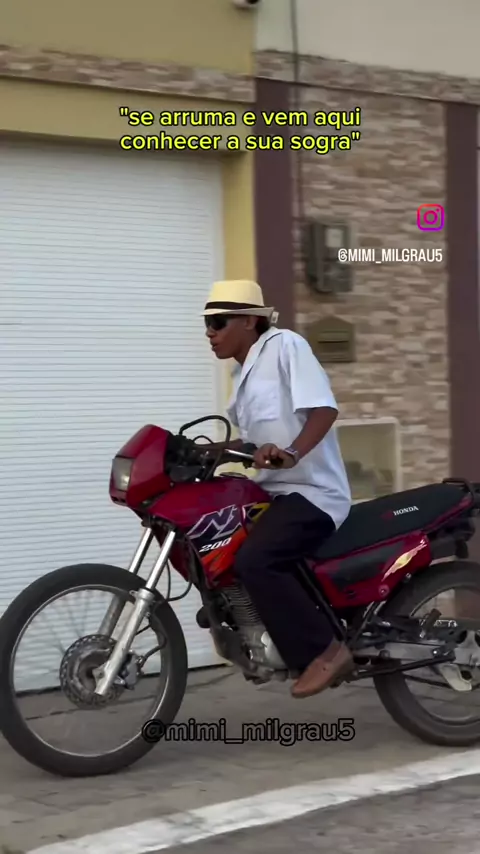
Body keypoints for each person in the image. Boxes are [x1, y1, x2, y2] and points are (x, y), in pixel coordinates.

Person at [202, 279, 353, 698]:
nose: (210, 333)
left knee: (257, 559)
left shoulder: (286, 346)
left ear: (250, 321)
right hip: (274, 493)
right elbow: (253, 445)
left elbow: (324, 410)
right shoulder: (241, 375)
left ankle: (326, 651)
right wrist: (203, 452)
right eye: (206, 324)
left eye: (218, 322)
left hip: (313, 492)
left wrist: (292, 453)